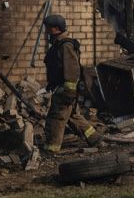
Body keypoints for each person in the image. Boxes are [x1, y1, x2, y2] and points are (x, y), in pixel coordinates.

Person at [41, 14, 100, 153]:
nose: (46, 31)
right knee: (73, 117)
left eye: (48, 28)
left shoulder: (66, 45)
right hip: (63, 88)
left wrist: (69, 91)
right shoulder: (59, 44)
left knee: (56, 118)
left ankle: (51, 148)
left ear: (55, 29)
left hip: (66, 89)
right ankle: (94, 138)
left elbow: (72, 70)